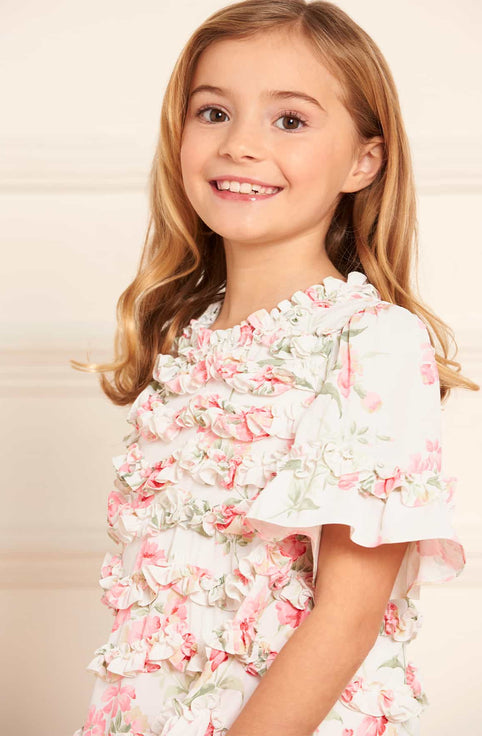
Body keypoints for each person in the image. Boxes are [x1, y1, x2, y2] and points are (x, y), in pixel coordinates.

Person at [71, 1, 478, 734]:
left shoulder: (372, 342)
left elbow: (346, 620)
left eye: (289, 120)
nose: (240, 145)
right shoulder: (184, 342)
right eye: (213, 113)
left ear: (364, 161)